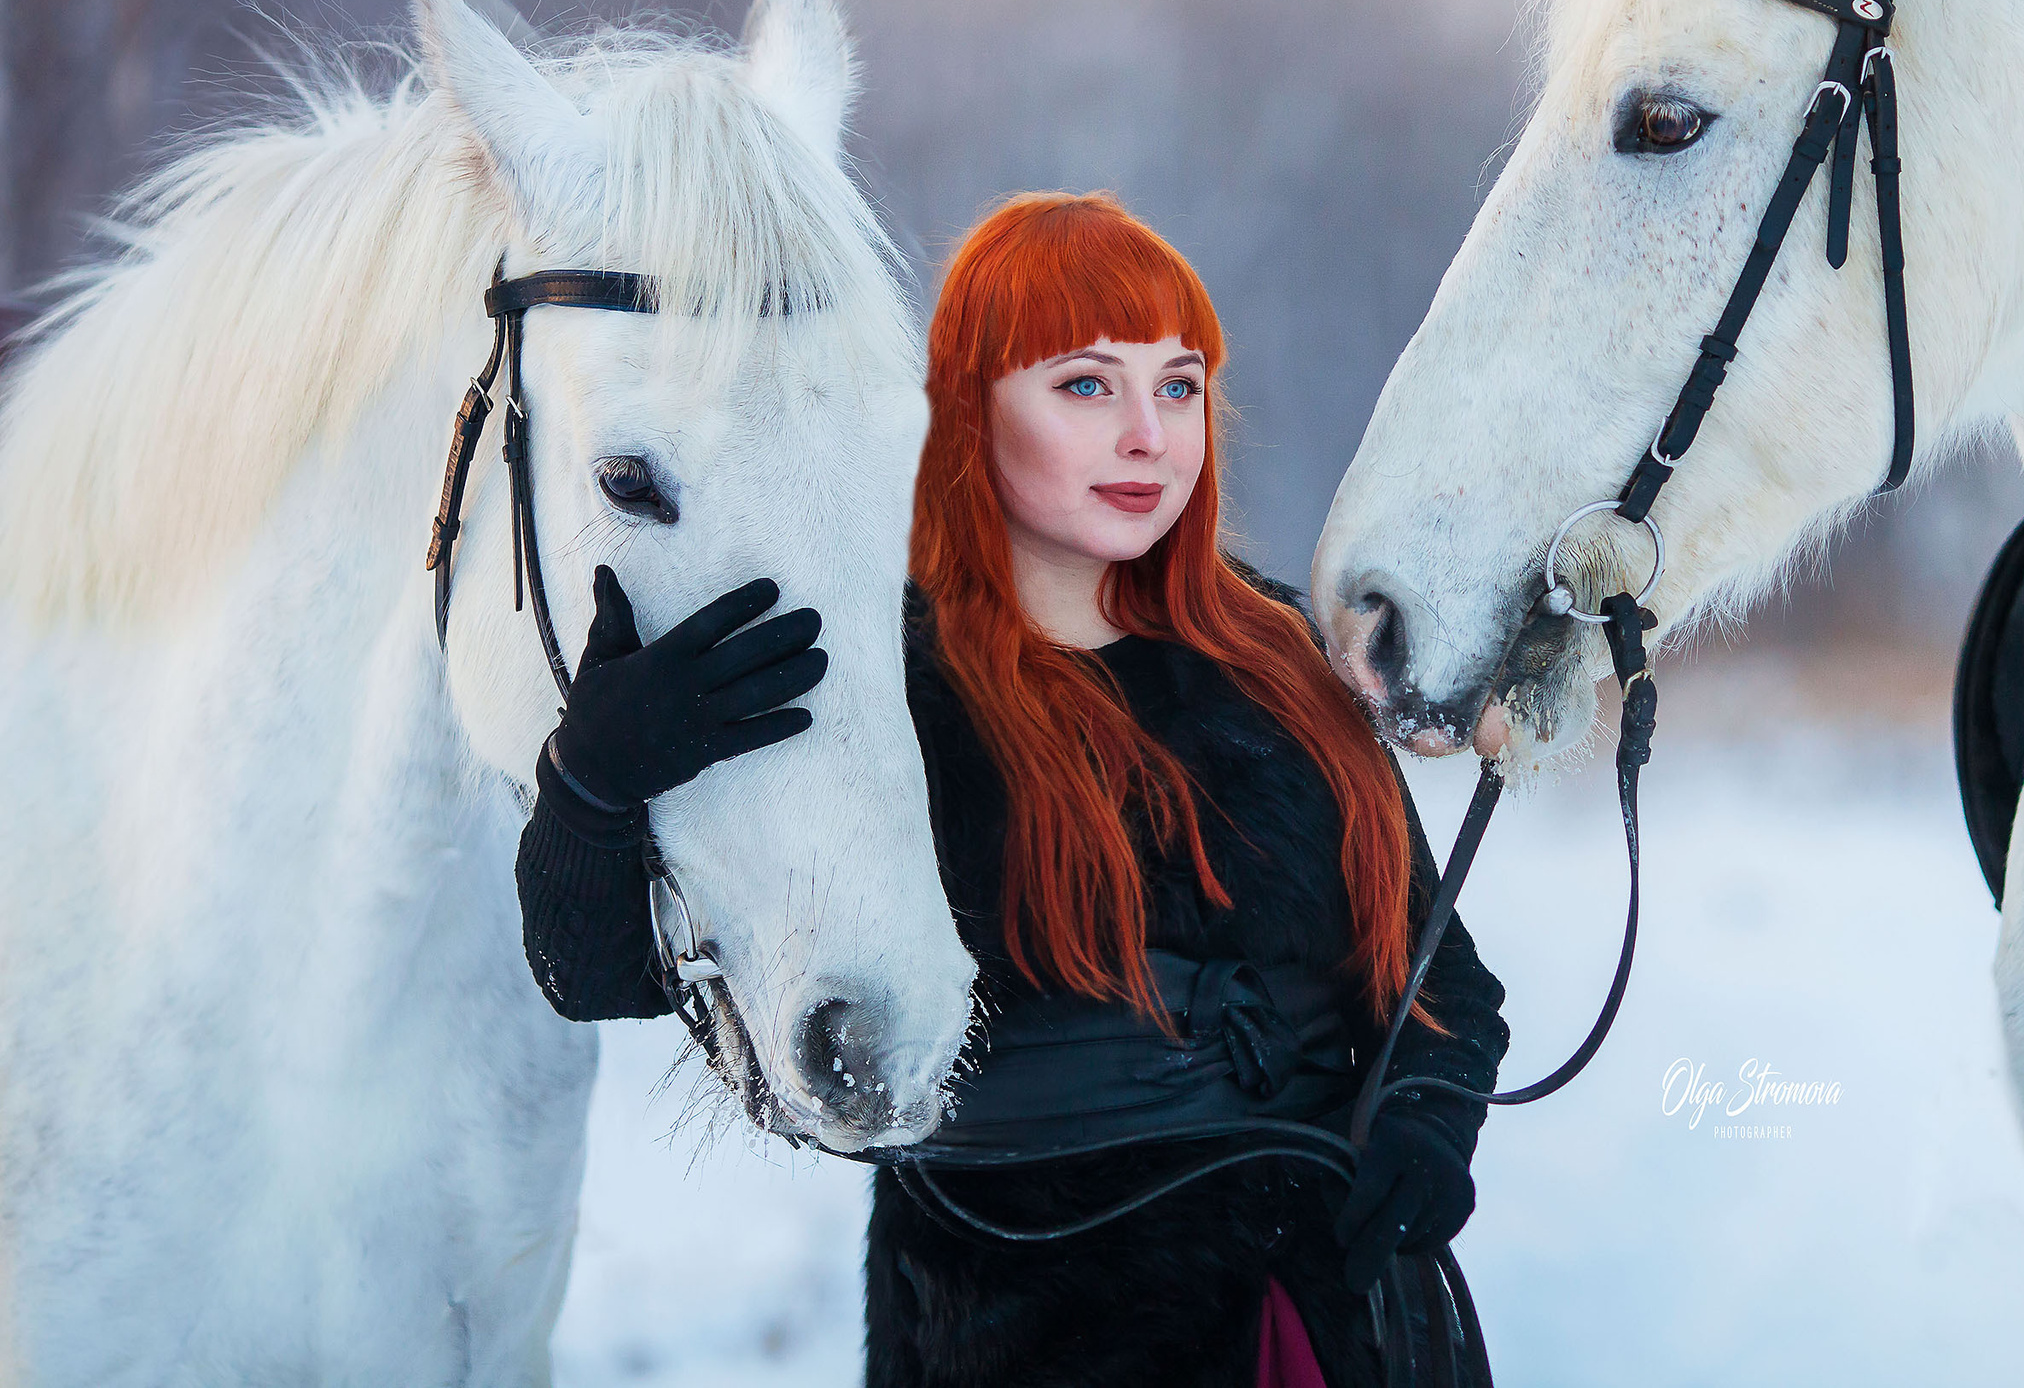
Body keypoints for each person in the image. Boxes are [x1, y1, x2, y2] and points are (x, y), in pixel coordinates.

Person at [514, 191, 1509, 1388]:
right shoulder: (875, 688)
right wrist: (593, 784)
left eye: (1179, 384)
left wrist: (1427, 1124)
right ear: (968, 409)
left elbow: (1437, 983)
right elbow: (602, 975)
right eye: (1087, 385)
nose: (1150, 434)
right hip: (1018, 1336)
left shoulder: (1282, 659)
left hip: (1324, 1328)